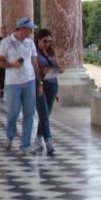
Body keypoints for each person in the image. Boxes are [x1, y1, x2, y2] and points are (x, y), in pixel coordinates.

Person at [0, 17, 42, 155]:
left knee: (29, 113)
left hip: (29, 81)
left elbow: (34, 62)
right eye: (29, 29)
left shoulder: (30, 43)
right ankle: (10, 136)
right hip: (13, 83)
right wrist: (12, 65)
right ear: (21, 29)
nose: (31, 31)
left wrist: (39, 82)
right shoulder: (6, 42)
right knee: (13, 113)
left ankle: (25, 145)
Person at [34, 28, 60, 156]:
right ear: (38, 40)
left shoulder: (52, 52)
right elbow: (34, 69)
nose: (47, 44)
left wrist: (57, 70)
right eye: (45, 41)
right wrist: (41, 72)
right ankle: (49, 141)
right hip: (39, 85)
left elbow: (57, 65)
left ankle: (38, 138)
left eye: (50, 41)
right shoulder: (34, 53)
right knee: (43, 113)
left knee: (46, 114)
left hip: (52, 84)